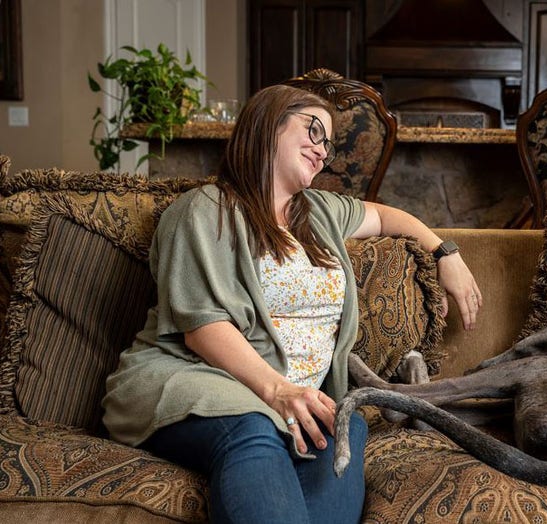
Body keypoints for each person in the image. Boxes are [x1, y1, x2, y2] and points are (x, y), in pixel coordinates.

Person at [102, 84, 483, 524]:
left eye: (329, 143)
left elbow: (383, 216)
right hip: (197, 380)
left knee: (346, 425)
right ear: (269, 125)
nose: (323, 152)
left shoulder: (318, 211)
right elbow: (203, 326)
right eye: (313, 131)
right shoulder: (205, 210)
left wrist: (445, 253)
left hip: (292, 399)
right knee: (253, 428)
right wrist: (279, 391)